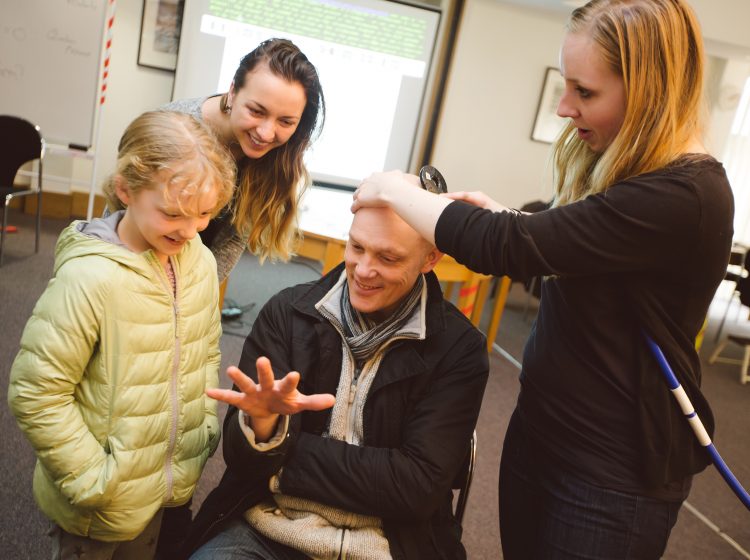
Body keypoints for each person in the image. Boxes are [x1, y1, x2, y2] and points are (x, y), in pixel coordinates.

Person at [352, 0, 735, 558]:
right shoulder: (640, 179)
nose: (563, 107)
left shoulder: (686, 195)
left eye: (585, 92)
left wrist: (393, 189)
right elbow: (588, 257)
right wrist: (513, 218)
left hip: (608, 477)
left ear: (649, 90)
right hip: (545, 435)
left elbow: (508, 249)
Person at [179, 206, 489, 559]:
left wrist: (282, 454)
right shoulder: (288, 312)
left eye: (388, 257)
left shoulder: (459, 349)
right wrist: (263, 429)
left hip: (390, 546)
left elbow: (415, 489)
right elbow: (241, 459)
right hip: (267, 530)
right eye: (356, 247)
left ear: (430, 258)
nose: (364, 270)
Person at [7, 110, 236, 560]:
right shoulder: (89, 279)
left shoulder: (200, 263)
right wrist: (94, 477)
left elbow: (207, 350)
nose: (189, 230)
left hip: (161, 483)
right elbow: (36, 392)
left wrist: (204, 427)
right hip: (99, 500)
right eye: (173, 212)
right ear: (126, 189)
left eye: (205, 215)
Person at [164, 37, 325, 282]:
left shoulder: (275, 154)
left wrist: (197, 296)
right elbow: (121, 223)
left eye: (285, 121)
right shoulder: (171, 129)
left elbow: (232, 239)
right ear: (232, 93)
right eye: (257, 111)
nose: (266, 133)